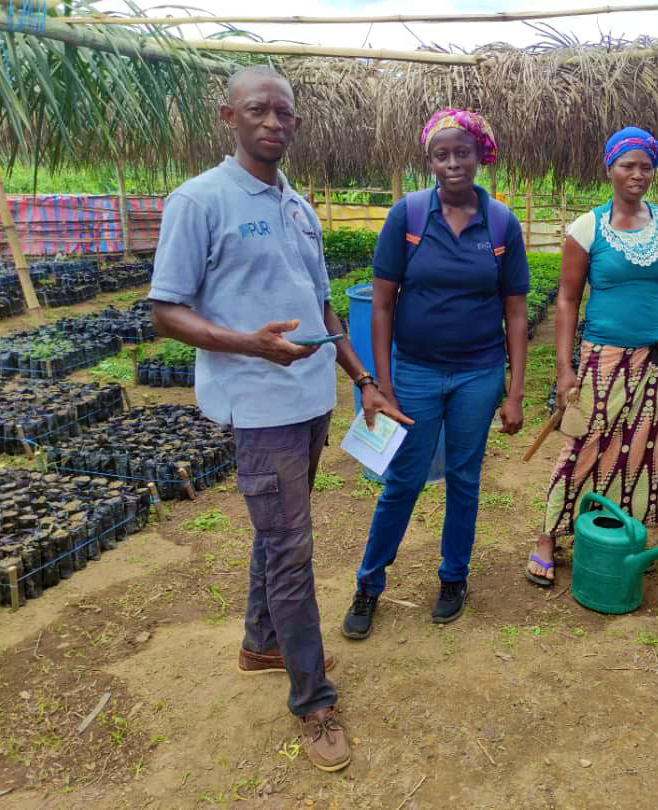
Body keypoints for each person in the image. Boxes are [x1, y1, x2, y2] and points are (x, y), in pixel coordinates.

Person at [149, 66, 407, 773]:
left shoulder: (298, 204)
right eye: (258, 109)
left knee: (279, 535)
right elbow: (166, 310)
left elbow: (320, 306)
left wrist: (363, 380)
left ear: (295, 122)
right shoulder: (200, 200)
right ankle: (313, 701)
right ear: (228, 116)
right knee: (291, 548)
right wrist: (250, 345)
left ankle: (262, 642)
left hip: (310, 402)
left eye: (283, 112)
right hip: (259, 409)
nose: (272, 122)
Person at [342, 109, 528, 635]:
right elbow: (382, 304)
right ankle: (369, 583)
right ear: (429, 160)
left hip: (478, 374)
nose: (452, 163)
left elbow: (516, 312)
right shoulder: (407, 216)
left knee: (464, 479)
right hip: (416, 373)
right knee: (403, 480)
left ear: (479, 156)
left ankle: (453, 577)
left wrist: (514, 391)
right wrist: (383, 384)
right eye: (441, 155)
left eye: (462, 152)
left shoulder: (501, 224)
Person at [525, 126, 658, 586]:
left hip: (657, 357)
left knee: (645, 446)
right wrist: (565, 368)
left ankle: (617, 532)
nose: (637, 174)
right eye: (627, 165)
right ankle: (549, 535)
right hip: (604, 357)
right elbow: (567, 300)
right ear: (609, 168)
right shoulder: (588, 227)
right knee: (585, 442)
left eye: (645, 167)